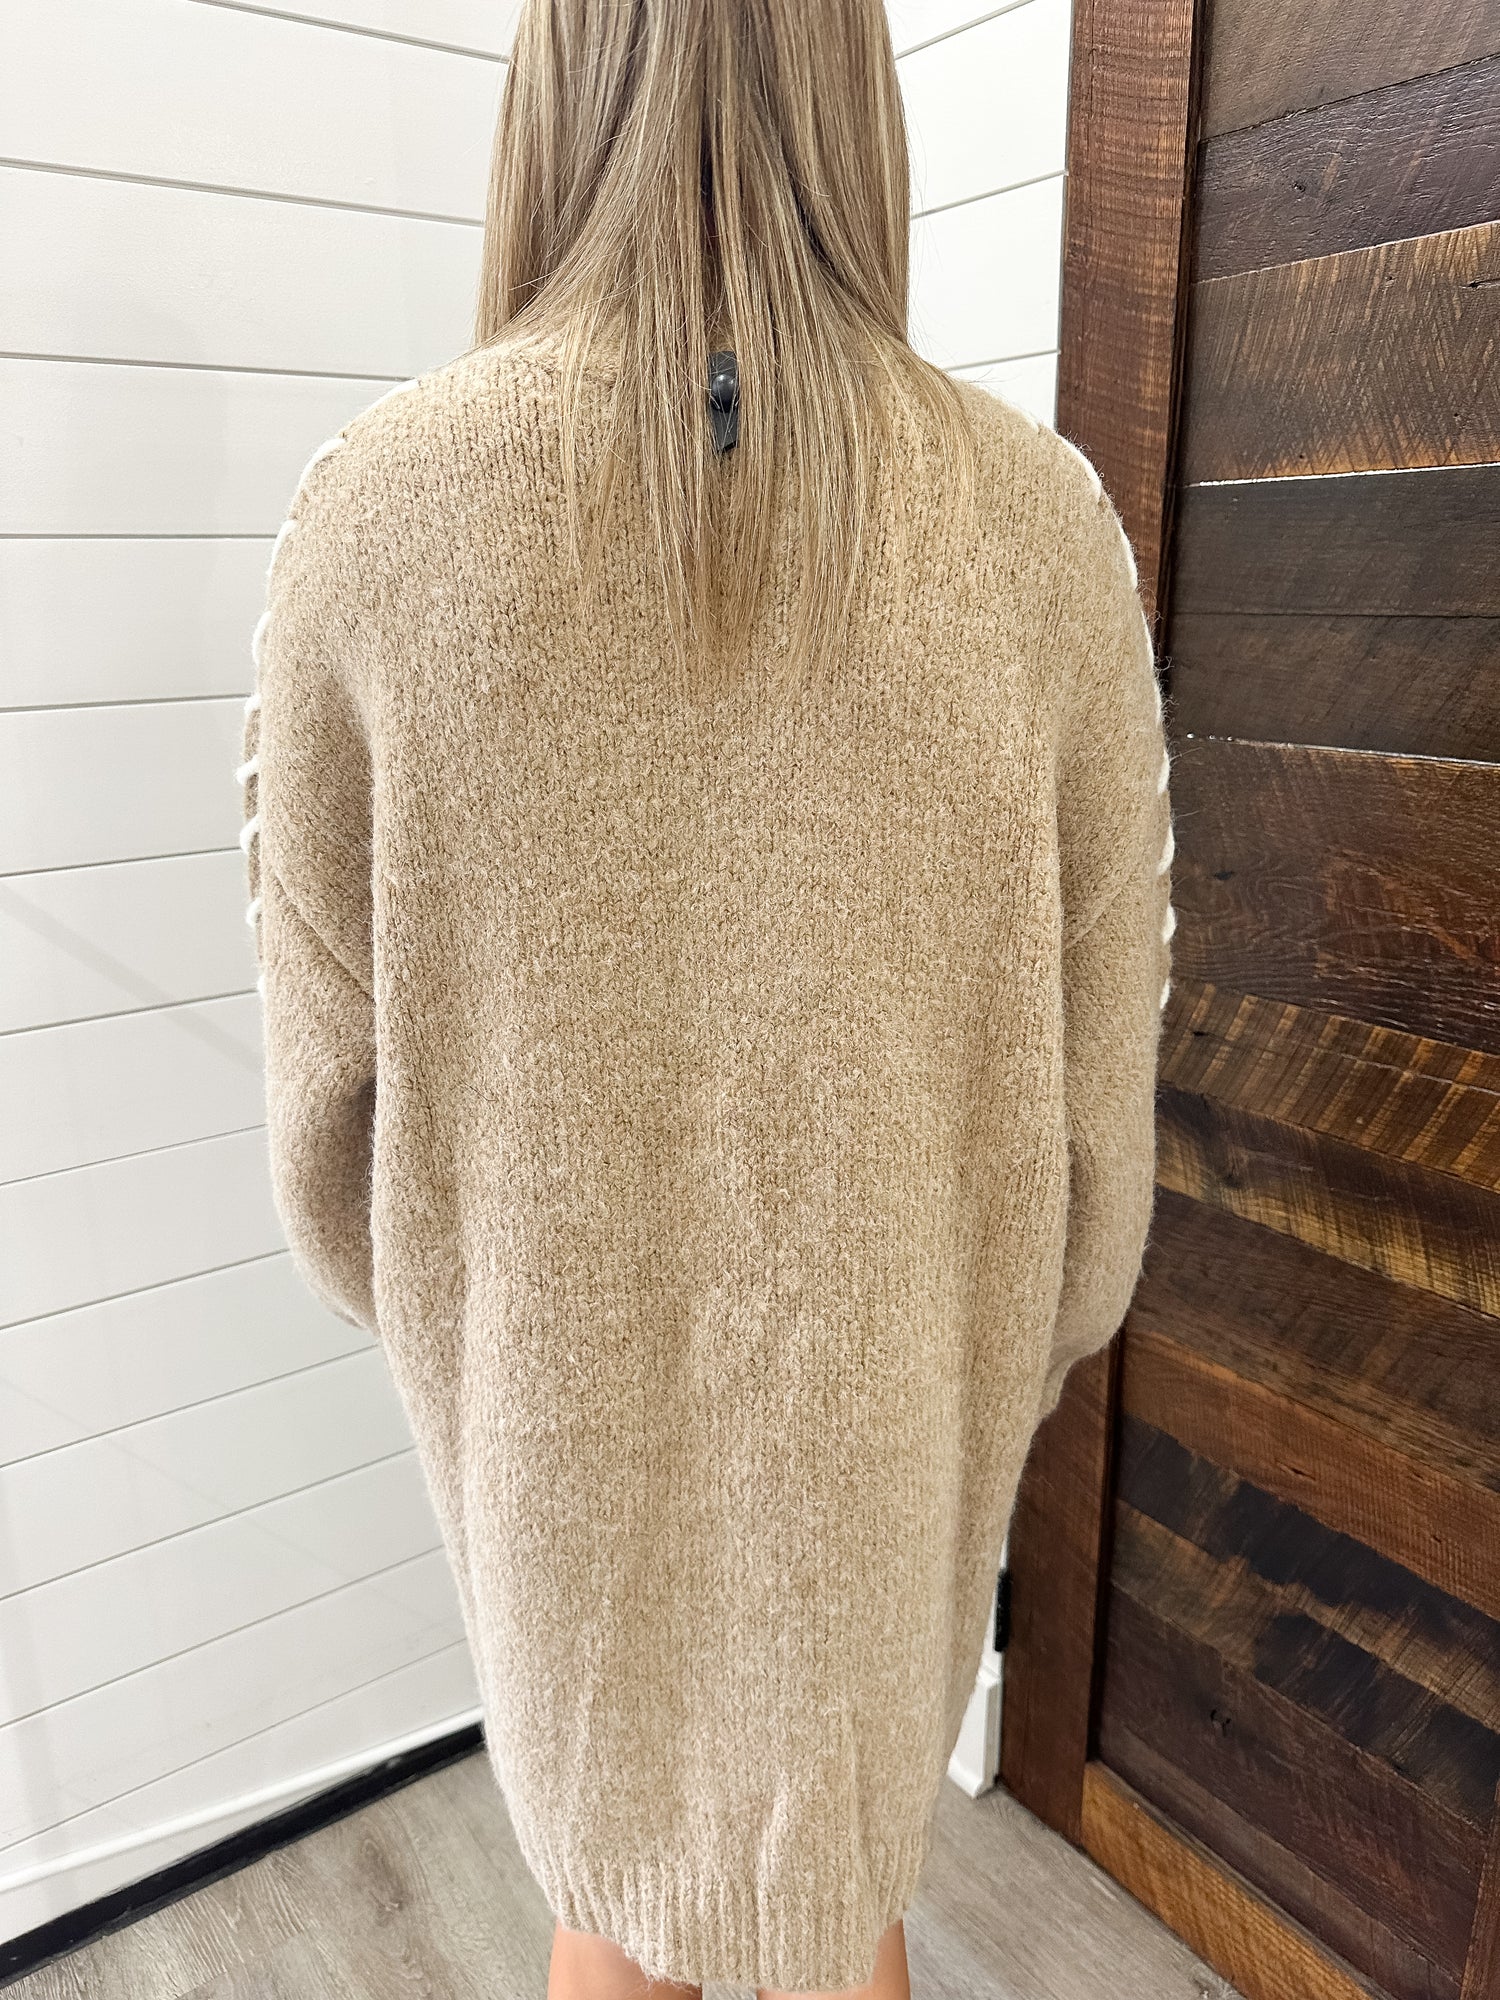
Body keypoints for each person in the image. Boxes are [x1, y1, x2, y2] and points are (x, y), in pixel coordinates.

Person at [237, 0, 1175, 1993]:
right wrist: (956, 1361)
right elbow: (1094, 1180)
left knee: (610, 1914)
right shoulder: (1044, 541)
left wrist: (513, 1342)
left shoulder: (374, 525)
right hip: (888, 1473)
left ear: (556, 77)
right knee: (846, 1917)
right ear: (852, 78)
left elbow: (331, 1152)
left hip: (561, 1489)